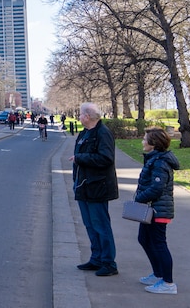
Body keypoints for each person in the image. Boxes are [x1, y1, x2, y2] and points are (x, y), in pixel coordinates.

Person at [70, 102, 119, 276]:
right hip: (83, 185)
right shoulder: (85, 133)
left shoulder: (102, 133)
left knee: (100, 225)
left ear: (88, 116)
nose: (79, 116)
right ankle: (96, 258)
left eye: (81, 114)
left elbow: (106, 158)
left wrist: (80, 158)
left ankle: (108, 262)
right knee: (90, 225)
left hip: (98, 186)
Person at [134, 127, 180, 294]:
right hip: (151, 208)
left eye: (145, 139)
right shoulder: (154, 159)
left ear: (153, 143)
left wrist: (138, 198)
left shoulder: (160, 162)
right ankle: (158, 274)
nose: (142, 141)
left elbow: (156, 189)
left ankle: (168, 283)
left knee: (159, 244)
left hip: (158, 210)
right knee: (144, 239)